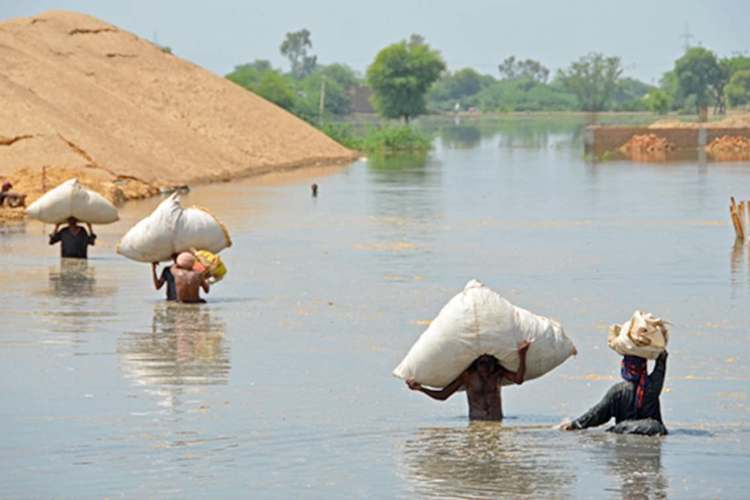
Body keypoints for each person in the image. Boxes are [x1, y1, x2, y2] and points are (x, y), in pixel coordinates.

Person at [406, 340, 531, 421]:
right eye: (482, 363)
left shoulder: (498, 373)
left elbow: (519, 379)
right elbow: (443, 395)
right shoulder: (467, 376)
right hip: (476, 423)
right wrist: (421, 389)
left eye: (489, 363)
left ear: (494, 363)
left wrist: (522, 355)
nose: (486, 368)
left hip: (497, 421)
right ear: (476, 363)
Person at [560, 352, 668, 435]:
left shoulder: (618, 391)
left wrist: (575, 424)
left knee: (620, 429)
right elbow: (661, 365)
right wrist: (661, 355)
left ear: (624, 367)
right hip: (653, 430)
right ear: (644, 366)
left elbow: (598, 413)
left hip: (625, 430)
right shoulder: (652, 385)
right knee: (654, 427)